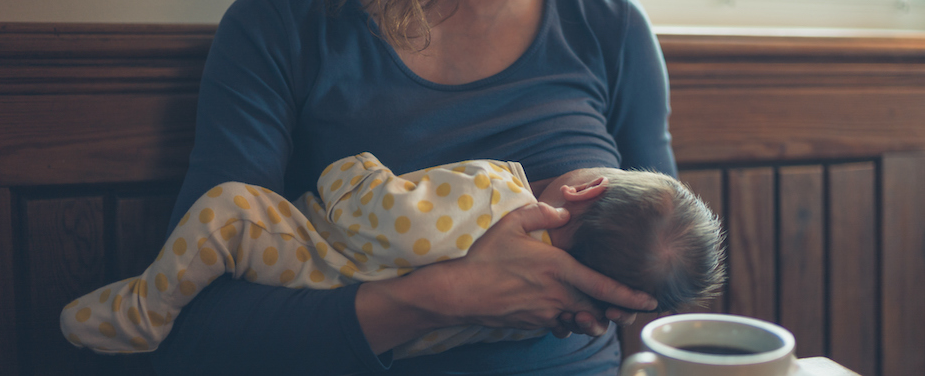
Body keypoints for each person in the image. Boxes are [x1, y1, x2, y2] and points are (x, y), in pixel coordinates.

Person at [148, 0, 677, 373]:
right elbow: (197, 328)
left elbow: (662, 284)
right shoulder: (276, 29)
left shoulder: (610, 24)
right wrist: (452, 296)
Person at [61, 153, 724, 358]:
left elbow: (375, 216)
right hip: (362, 334)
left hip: (307, 259)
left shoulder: (496, 192)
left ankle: (143, 309)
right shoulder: (543, 311)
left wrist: (350, 170)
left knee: (230, 209)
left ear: (584, 189)